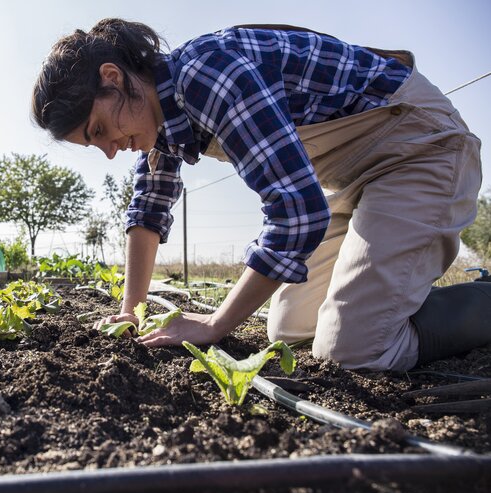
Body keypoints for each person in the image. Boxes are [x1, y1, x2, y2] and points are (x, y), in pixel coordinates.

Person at [32, 19, 489, 371]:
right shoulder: (162, 118)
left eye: (100, 130)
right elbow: (149, 209)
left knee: (355, 349)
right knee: (289, 329)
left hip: (421, 149)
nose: (110, 149)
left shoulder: (207, 76)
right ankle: (392, 303)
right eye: (95, 145)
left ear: (113, 77)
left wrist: (214, 325)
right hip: (357, 182)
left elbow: (296, 211)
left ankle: (476, 304)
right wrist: (130, 311)